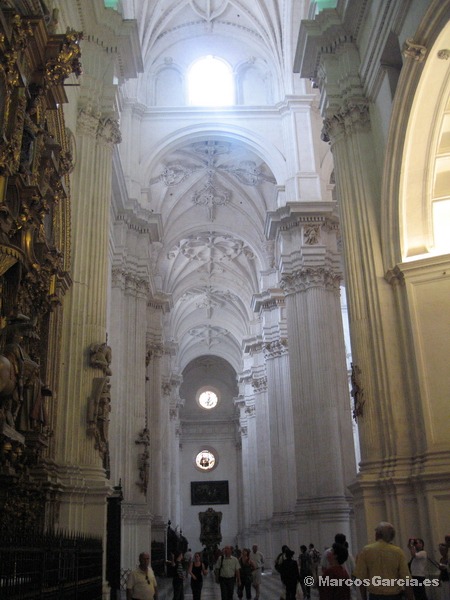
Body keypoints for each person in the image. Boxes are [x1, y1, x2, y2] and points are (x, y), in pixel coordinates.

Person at [353, 521, 413, 600]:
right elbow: (406, 579)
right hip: (394, 596)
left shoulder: (366, 550)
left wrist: (364, 598)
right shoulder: (398, 552)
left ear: (378, 534)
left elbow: (361, 578)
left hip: (375, 596)